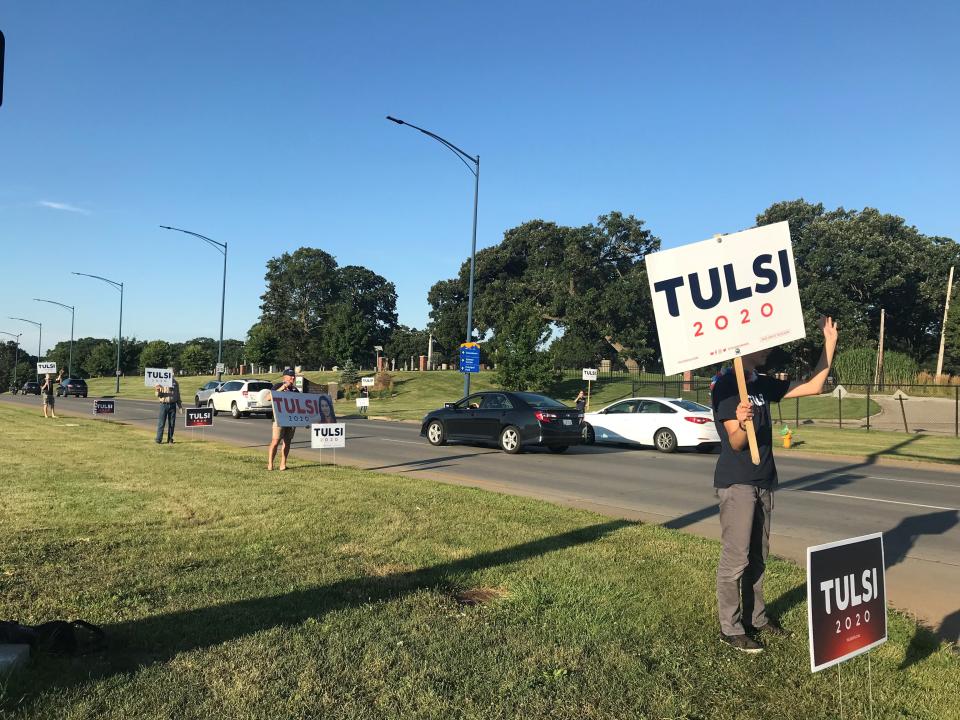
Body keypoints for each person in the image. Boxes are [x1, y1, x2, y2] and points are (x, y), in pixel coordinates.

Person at [712, 316, 838, 653]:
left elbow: (812, 386)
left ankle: (758, 618)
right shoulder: (726, 386)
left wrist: (829, 345)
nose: (770, 348)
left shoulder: (762, 384)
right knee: (736, 559)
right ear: (747, 347)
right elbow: (736, 443)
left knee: (759, 557)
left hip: (765, 480)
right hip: (737, 483)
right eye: (764, 343)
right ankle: (731, 627)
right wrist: (739, 422)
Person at [267, 368, 298, 471]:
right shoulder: (277, 386)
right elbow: (268, 397)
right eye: (291, 376)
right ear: (285, 377)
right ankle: (270, 464)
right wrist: (283, 387)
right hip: (279, 419)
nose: (293, 378)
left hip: (291, 419)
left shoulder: (295, 390)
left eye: (294, 376)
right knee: (275, 441)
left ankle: (283, 464)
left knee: (287, 442)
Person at [155, 378, 182, 444]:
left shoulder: (175, 383)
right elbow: (157, 395)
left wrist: (180, 406)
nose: (172, 373)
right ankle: (158, 439)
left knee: (172, 423)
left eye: (172, 372)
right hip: (163, 405)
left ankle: (170, 439)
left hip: (173, 405)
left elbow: (178, 395)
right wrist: (158, 390)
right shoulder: (161, 382)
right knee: (161, 423)